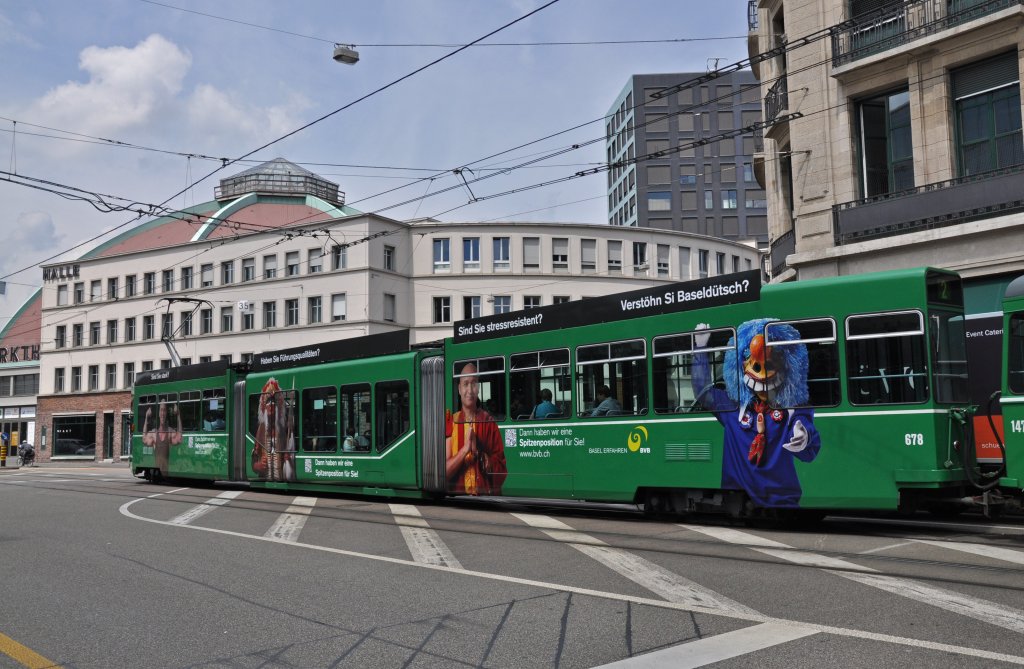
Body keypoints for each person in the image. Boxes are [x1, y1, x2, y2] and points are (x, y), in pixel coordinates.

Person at [445, 362, 507, 495]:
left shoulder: (488, 422)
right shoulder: (451, 422)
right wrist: (465, 450)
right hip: (457, 496)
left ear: (478, 388)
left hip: (484, 496)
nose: (470, 390)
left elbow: (501, 468)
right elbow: (444, 472)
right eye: (466, 384)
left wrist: (487, 461)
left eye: (474, 384)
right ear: (459, 389)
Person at [251, 378, 296, 481]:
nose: (270, 405)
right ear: (263, 406)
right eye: (268, 402)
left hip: (280, 478)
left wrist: (288, 459)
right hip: (265, 480)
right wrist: (258, 465)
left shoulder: (283, 430)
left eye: (273, 401)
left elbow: (290, 457)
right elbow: (254, 462)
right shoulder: (261, 430)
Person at [143, 400, 183, 475]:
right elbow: (144, 439)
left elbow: (179, 439)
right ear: (158, 413)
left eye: (164, 410)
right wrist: (146, 417)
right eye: (161, 410)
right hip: (158, 473)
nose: (162, 413)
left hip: (166, 473)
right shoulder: (154, 433)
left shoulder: (170, 432)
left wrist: (178, 415)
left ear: (166, 413)